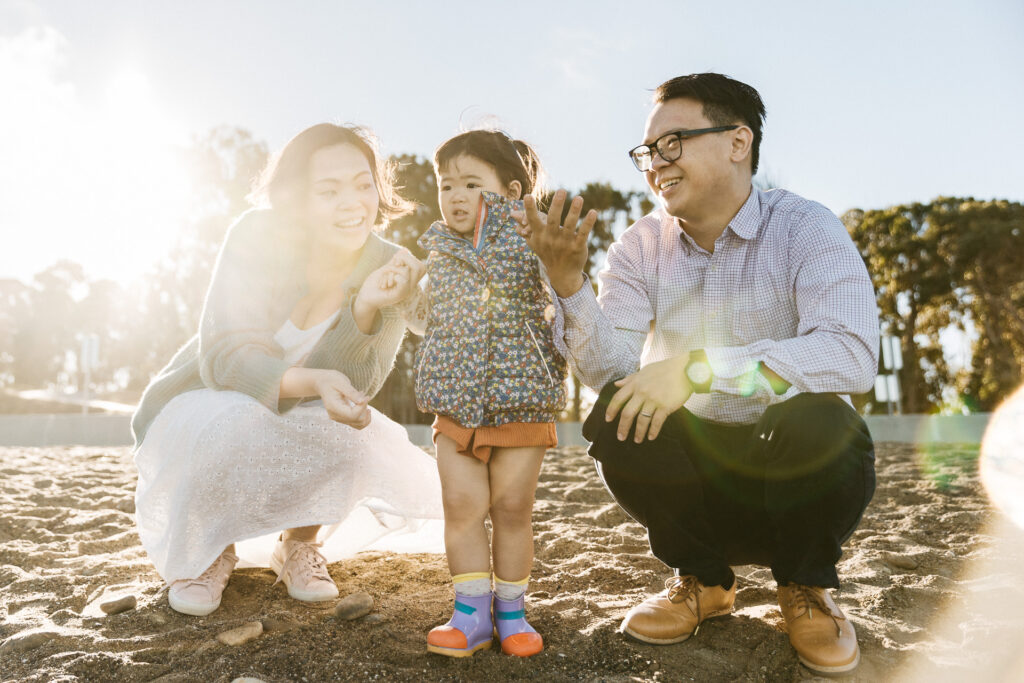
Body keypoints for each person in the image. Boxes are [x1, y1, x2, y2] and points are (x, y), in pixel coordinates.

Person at [519, 73, 878, 676]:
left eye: (673, 142)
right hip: (695, 481)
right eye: (647, 152)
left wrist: (700, 369)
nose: (655, 164)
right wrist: (568, 286)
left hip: (794, 478)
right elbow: (611, 371)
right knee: (616, 408)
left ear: (739, 142)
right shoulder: (638, 247)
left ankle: (807, 588)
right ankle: (704, 580)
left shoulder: (807, 227)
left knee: (824, 417)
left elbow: (851, 355)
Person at [130, 123, 444, 617]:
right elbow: (226, 357)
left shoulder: (389, 264)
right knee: (234, 421)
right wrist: (313, 380)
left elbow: (356, 389)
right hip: (201, 401)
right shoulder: (255, 235)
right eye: (329, 190)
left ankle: (299, 542)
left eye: (364, 185)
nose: (353, 203)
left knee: (358, 437)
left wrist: (363, 310)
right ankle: (212, 550)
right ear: (296, 197)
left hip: (302, 410)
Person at [410, 130, 567, 658]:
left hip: (520, 402)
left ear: (510, 190)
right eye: (446, 184)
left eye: (471, 184)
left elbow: (565, 303)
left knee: (513, 507)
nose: (454, 195)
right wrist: (403, 290)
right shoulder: (438, 252)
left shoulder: (533, 248)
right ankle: (471, 614)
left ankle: (512, 613)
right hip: (454, 404)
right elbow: (420, 319)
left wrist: (548, 250)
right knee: (461, 504)